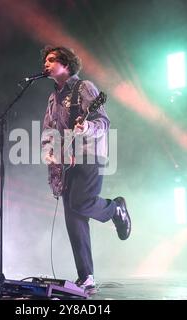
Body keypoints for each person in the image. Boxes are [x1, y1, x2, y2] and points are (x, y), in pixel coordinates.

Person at [40, 46, 132, 293]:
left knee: (81, 202)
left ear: (66, 64)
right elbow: (49, 129)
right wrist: (48, 150)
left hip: (90, 155)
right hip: (67, 159)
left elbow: (102, 121)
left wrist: (85, 128)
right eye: (45, 61)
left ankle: (115, 209)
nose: (45, 64)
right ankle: (86, 276)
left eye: (51, 60)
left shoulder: (84, 87)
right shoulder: (53, 97)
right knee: (73, 218)